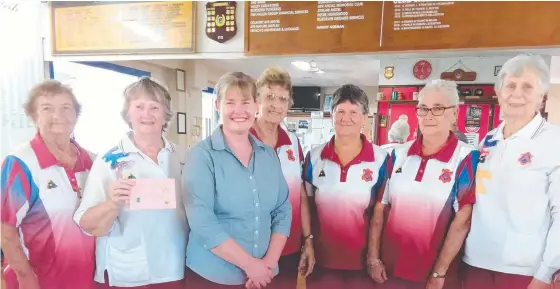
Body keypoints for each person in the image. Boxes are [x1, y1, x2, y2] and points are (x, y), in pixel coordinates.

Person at [73, 77, 188, 289]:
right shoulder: (110, 160)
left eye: (154, 107)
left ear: (165, 115)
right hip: (129, 272)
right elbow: (85, 223)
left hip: (177, 267)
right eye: (139, 106)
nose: (147, 114)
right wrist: (111, 203)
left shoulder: (183, 156)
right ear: (128, 114)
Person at [182, 72, 291, 289]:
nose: (239, 111)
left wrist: (268, 264)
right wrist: (251, 265)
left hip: (265, 275)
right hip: (213, 276)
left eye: (246, 102)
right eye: (230, 102)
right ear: (217, 105)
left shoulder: (268, 155)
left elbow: (283, 210)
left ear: (256, 105)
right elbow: (203, 223)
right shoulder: (202, 156)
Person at [368, 79, 478, 289]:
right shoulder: (397, 154)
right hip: (389, 271)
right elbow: (380, 208)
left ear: (454, 113)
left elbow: (463, 220)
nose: (428, 116)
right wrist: (373, 258)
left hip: (435, 276)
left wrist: (439, 272)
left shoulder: (466, 158)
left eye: (438, 109)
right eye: (423, 109)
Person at [463, 54, 560, 289]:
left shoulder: (554, 141)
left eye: (527, 86)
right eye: (510, 86)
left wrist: (545, 273)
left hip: (525, 270)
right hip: (475, 262)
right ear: (499, 93)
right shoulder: (488, 140)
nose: (516, 94)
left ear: (542, 98)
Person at [1, 80, 95, 289]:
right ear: (34, 116)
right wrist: (25, 277)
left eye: (66, 108)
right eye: (47, 108)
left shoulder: (92, 161)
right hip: (39, 280)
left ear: (76, 115)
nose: (58, 115)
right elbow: (5, 228)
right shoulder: (20, 163)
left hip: (88, 278)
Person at [304, 84, 389, 289]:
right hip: (321, 259)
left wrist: (373, 257)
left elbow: (381, 211)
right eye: (340, 111)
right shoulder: (314, 156)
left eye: (353, 112)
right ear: (332, 114)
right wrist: (307, 243)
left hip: (363, 261)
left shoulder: (380, 158)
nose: (346, 118)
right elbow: (306, 204)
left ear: (365, 117)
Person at [250, 67, 315, 287]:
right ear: (257, 99)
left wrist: (308, 240)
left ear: (289, 105)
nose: (276, 105)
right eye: (269, 97)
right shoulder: (241, 138)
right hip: (250, 247)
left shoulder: (293, 143)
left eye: (282, 99)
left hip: (288, 245)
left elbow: (300, 196)